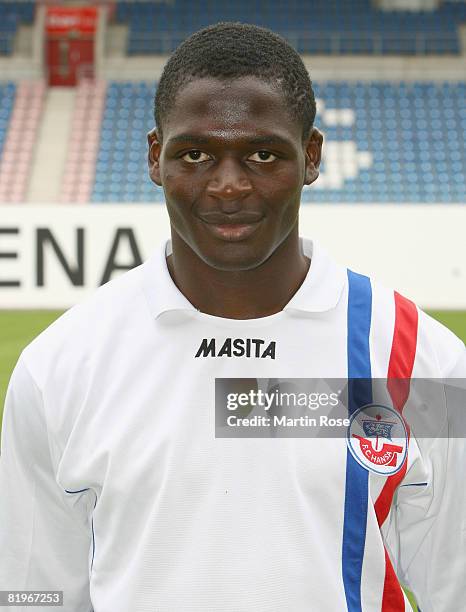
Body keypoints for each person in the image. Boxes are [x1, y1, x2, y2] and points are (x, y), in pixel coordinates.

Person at [0, 22, 465, 612]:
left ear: (311, 157)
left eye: (262, 154)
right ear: (154, 157)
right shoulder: (60, 366)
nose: (227, 185)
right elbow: (32, 593)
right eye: (195, 154)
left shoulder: (421, 357)